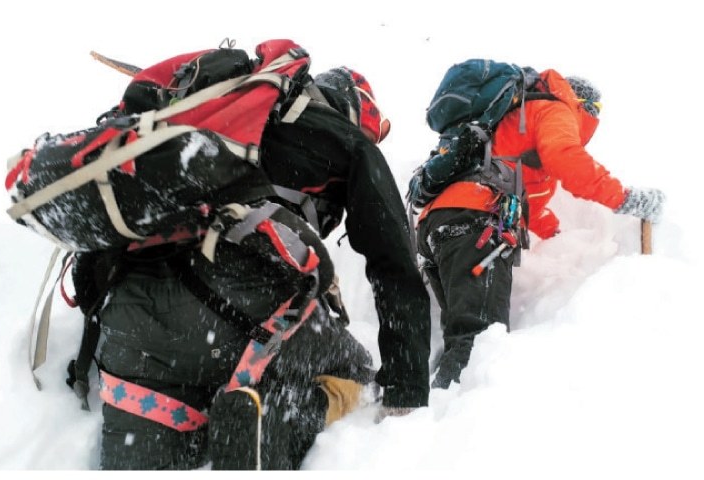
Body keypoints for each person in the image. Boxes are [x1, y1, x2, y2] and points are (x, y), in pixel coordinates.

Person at [73, 59, 430, 470]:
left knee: (154, 461)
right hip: (242, 307)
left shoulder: (199, 120)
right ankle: (268, 420)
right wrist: (406, 388)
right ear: (357, 107)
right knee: (354, 374)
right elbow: (394, 264)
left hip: (131, 320)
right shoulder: (343, 139)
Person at [415, 68, 665, 389]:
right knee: (478, 343)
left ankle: (434, 407)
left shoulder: (516, 117)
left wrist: (554, 234)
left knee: (462, 337)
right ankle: (448, 422)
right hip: (475, 224)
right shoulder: (555, 108)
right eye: (596, 110)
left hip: (439, 224)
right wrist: (627, 199)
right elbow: (567, 160)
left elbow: (525, 196)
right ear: (583, 103)